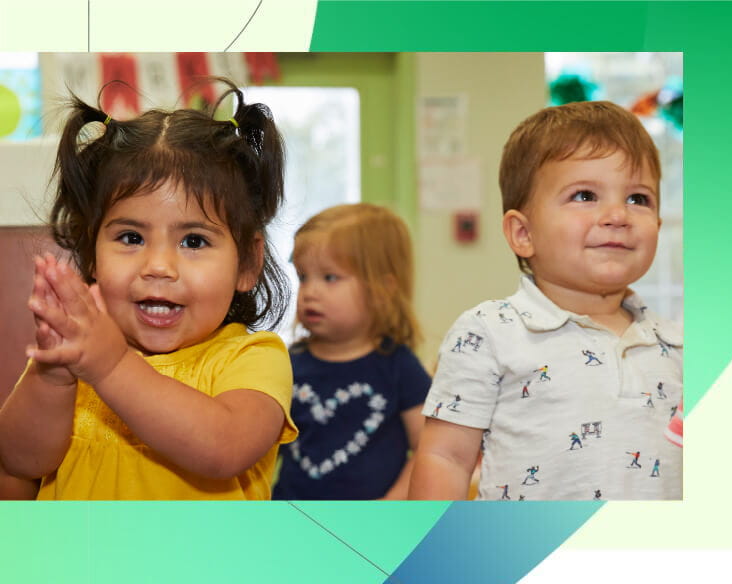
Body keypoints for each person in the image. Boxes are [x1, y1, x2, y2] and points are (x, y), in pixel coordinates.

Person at [0, 79, 298, 500]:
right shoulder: (77, 356)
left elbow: (223, 447)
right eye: (131, 238)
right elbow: (17, 465)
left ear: (246, 263)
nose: (158, 266)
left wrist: (109, 366)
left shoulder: (251, 358)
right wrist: (54, 375)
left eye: (193, 241)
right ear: (92, 253)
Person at [409, 101, 682, 501]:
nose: (617, 215)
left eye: (638, 199)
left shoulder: (679, 345)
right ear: (523, 233)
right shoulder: (487, 333)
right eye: (585, 195)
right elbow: (446, 458)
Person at [272, 204, 430, 500]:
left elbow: (428, 449)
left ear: (382, 289)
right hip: (292, 522)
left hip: (371, 527)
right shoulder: (284, 364)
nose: (310, 292)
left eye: (330, 278)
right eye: (304, 277)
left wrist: (393, 503)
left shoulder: (399, 366)